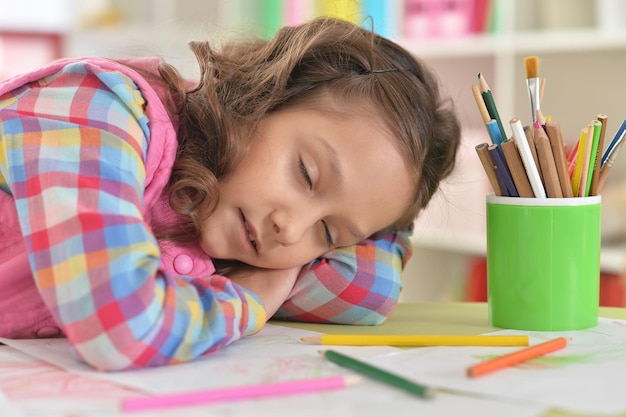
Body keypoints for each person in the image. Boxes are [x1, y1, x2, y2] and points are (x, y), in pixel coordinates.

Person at [0, 17, 460, 370]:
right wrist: (253, 300)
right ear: (261, 95)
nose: (290, 227)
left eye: (327, 232)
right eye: (305, 173)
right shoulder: (99, 105)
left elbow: (370, 293)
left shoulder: (225, 217)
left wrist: (391, 223)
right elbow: (122, 329)